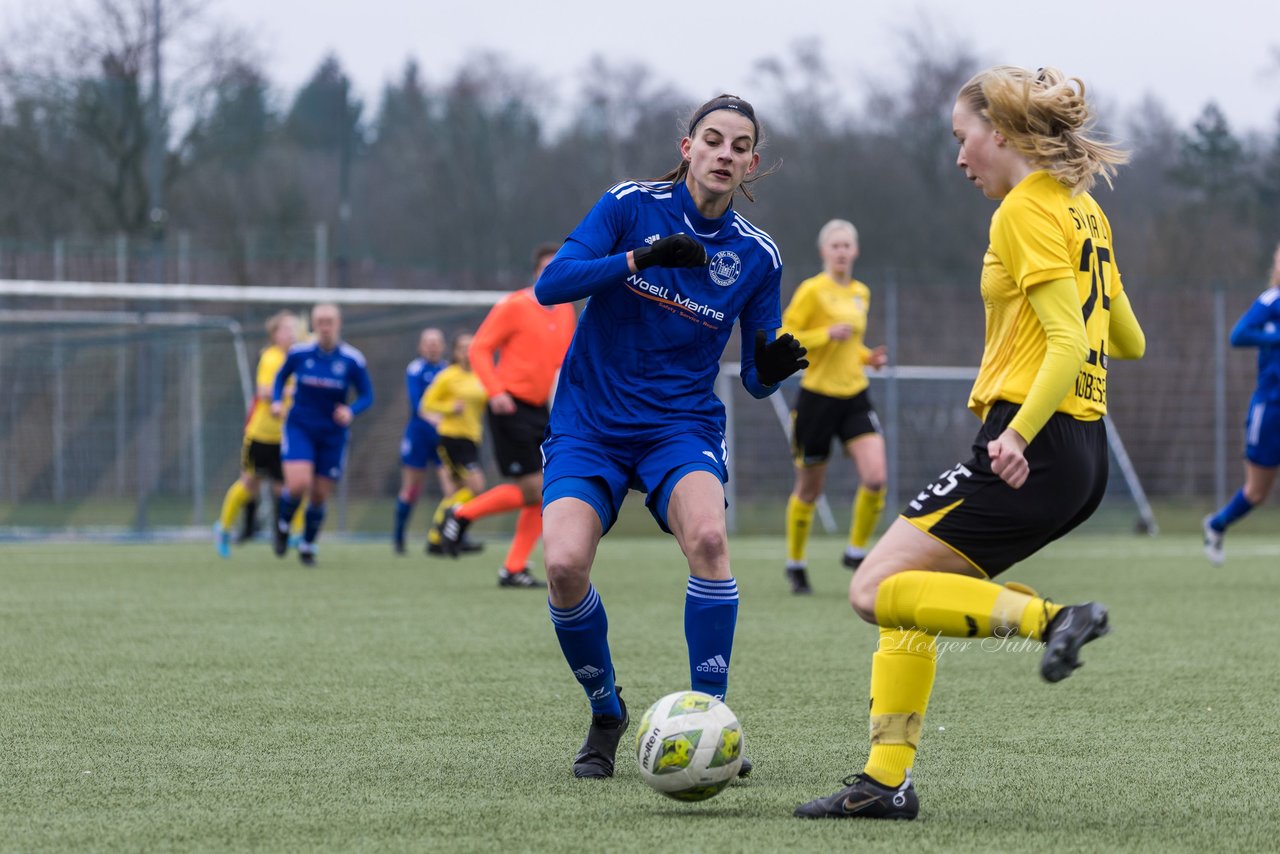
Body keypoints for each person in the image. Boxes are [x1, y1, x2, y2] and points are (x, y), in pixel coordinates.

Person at [794, 66, 1145, 821]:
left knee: (867, 589)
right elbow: (1129, 339)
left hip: (1033, 441)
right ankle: (885, 783)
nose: (959, 158)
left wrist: (1016, 434)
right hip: (1079, 455)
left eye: (963, 139)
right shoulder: (1083, 211)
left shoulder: (1022, 210)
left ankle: (1055, 620)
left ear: (1003, 133)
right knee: (902, 598)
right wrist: (1096, 286)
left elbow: (1060, 341)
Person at [534, 94, 808, 780]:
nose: (724, 153)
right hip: (590, 423)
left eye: (739, 145)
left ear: (752, 163)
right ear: (688, 148)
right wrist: (641, 258)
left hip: (677, 426)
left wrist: (769, 370)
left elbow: (754, 378)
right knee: (564, 565)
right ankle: (605, 711)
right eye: (711, 139)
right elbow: (552, 285)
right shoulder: (628, 205)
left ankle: (709, 720)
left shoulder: (757, 255)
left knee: (711, 542)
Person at [435, 243, 576, 589]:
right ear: (535, 273)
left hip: (539, 410)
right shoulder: (515, 305)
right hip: (508, 406)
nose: (551, 275)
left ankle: (513, 567)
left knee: (540, 494)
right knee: (535, 489)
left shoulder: (565, 311)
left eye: (558, 268)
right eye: (545, 269)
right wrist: (495, 391)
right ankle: (461, 513)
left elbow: (564, 362)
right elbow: (479, 348)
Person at [781, 219, 889, 594]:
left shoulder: (862, 292)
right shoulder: (813, 290)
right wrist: (824, 334)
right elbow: (785, 335)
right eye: (835, 246)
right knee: (809, 489)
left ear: (855, 251)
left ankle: (856, 552)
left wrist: (866, 358)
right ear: (824, 252)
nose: (842, 252)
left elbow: (851, 346)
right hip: (816, 399)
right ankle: (796, 563)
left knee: (875, 477)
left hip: (855, 396)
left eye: (847, 245)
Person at [271, 303, 374, 566]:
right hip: (300, 427)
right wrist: (276, 401)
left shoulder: (352, 359)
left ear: (338, 324)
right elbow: (280, 378)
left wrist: (351, 411)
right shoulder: (299, 353)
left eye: (330, 321)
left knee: (318, 494)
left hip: (332, 434)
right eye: (320, 322)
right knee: (298, 485)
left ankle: (308, 544)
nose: (325, 327)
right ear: (314, 325)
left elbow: (367, 395)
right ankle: (282, 524)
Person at [1203, 241, 1280, 565]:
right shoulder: (1270, 302)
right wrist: (1275, 338)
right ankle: (1216, 524)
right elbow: (1238, 334)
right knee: (1256, 493)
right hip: (1271, 407)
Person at [214, 311, 299, 558]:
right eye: (286, 329)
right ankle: (224, 528)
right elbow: (264, 392)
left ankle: (290, 533)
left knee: (286, 487)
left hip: (283, 437)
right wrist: (290, 392)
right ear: (274, 334)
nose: (291, 333)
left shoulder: (296, 358)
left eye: (294, 328)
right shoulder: (272, 358)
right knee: (249, 485)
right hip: (260, 435)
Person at [420, 332, 490, 532]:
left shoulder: (480, 374)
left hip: (472, 438)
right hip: (452, 438)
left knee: (457, 491)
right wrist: (451, 407)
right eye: (463, 349)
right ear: (456, 352)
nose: (467, 353)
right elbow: (427, 404)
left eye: (471, 348)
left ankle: (447, 535)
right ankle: (443, 525)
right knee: (476, 487)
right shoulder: (448, 376)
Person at [392, 327, 451, 554]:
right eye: (428, 342)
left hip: (444, 438)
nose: (433, 346)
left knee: (451, 491)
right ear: (420, 346)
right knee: (411, 490)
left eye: (437, 342)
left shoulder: (448, 371)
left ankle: (442, 538)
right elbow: (419, 405)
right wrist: (439, 416)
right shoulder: (415, 369)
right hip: (418, 436)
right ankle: (398, 538)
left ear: (443, 346)